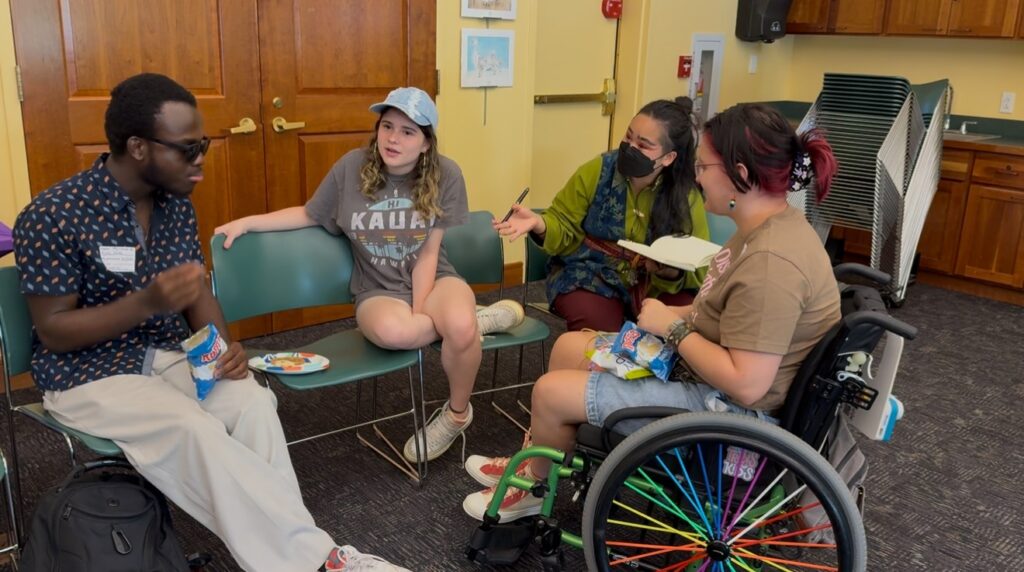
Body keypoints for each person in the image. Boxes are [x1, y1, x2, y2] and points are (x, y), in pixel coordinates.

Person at [12, 73, 407, 571]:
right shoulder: (52, 214)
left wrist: (223, 347)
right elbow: (54, 330)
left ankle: (289, 555)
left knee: (252, 402)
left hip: (168, 355)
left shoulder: (174, 204)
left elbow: (195, 291)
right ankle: (320, 561)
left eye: (202, 144)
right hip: (87, 373)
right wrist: (145, 302)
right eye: (187, 148)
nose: (201, 157)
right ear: (137, 147)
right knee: (190, 428)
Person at [462, 103, 842, 521]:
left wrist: (674, 328)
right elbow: (724, 308)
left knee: (549, 393)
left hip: (732, 416)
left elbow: (747, 386)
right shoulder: (764, 230)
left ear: (743, 175)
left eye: (704, 166)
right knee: (570, 348)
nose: (697, 177)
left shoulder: (772, 264)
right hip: (714, 381)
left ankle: (533, 490)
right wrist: (678, 319)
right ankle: (538, 465)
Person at [215, 86, 524, 464]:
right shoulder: (351, 167)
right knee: (404, 333)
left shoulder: (446, 174)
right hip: (375, 289)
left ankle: (457, 413)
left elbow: (429, 251)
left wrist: (422, 305)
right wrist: (249, 222)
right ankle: (473, 323)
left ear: (426, 143)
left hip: (435, 276)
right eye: (387, 126)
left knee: (456, 324)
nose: (393, 138)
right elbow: (312, 214)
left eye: (408, 131)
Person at [493, 97, 709, 332]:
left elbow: (700, 264)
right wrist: (540, 223)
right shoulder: (598, 170)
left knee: (689, 322)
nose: (630, 147)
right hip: (591, 273)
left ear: (668, 157)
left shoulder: (685, 194)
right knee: (597, 328)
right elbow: (562, 221)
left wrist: (670, 271)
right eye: (628, 136)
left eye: (643, 145)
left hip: (657, 284)